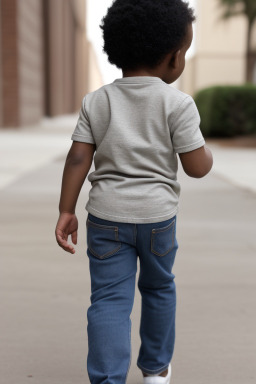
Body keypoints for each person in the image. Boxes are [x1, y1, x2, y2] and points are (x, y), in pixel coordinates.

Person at [55, 0, 213, 383]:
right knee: (159, 289)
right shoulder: (178, 104)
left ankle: (108, 379)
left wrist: (66, 210)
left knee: (109, 299)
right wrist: (204, 151)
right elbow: (197, 167)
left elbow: (78, 158)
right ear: (174, 58)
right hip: (158, 220)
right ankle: (156, 371)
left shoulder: (97, 101)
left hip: (106, 218)